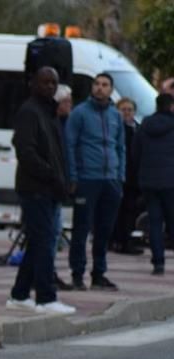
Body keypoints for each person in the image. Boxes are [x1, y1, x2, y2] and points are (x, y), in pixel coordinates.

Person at [7, 67, 76, 316]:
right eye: (44, 82)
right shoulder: (29, 112)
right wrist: (52, 175)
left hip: (50, 189)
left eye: (53, 83)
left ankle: (20, 293)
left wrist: (63, 179)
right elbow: (27, 153)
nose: (49, 87)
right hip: (36, 188)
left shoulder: (50, 112)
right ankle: (46, 297)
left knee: (40, 242)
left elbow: (57, 152)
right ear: (33, 84)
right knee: (45, 242)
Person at [65, 72, 125, 291]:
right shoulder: (79, 113)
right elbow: (69, 146)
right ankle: (77, 274)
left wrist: (120, 176)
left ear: (111, 89)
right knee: (81, 229)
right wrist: (73, 176)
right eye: (97, 84)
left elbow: (120, 147)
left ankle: (99, 274)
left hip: (111, 180)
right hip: (87, 179)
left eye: (105, 85)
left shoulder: (116, 115)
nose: (100, 88)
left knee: (104, 230)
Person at [132, 93, 174, 275]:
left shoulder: (144, 125)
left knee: (155, 222)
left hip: (148, 180)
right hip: (170, 180)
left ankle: (158, 262)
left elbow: (135, 152)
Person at [110, 97, 144, 255]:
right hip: (118, 174)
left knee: (129, 210)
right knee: (118, 210)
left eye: (130, 110)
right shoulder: (115, 128)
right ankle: (117, 240)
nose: (127, 113)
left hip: (133, 177)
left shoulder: (138, 128)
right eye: (124, 109)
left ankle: (124, 240)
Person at [52, 83, 74, 291]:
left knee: (55, 232)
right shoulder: (53, 123)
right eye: (66, 101)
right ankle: (47, 275)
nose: (70, 105)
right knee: (51, 232)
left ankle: (49, 273)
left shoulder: (66, 123)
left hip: (58, 185)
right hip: (48, 187)